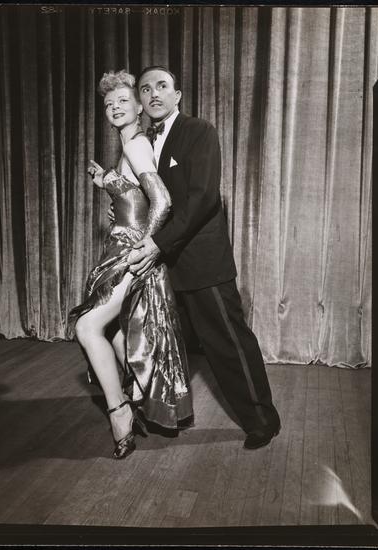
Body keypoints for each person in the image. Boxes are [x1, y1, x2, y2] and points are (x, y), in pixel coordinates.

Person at [127, 66, 281, 450]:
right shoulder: (141, 141)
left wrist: (158, 244)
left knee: (226, 344)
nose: (154, 94)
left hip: (201, 261)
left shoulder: (199, 131)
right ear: (140, 101)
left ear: (177, 95)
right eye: (145, 89)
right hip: (162, 266)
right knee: (157, 344)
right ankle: (160, 415)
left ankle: (262, 421)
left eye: (162, 86)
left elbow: (202, 199)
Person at [69, 70, 193, 460]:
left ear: (139, 107)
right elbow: (135, 196)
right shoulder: (131, 146)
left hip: (131, 252)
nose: (115, 107)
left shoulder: (137, 146)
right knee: (117, 328)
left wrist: (144, 247)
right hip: (120, 247)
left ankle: (119, 411)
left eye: (123, 100)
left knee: (88, 326)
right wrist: (108, 180)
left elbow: (162, 202)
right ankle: (137, 394)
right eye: (109, 104)